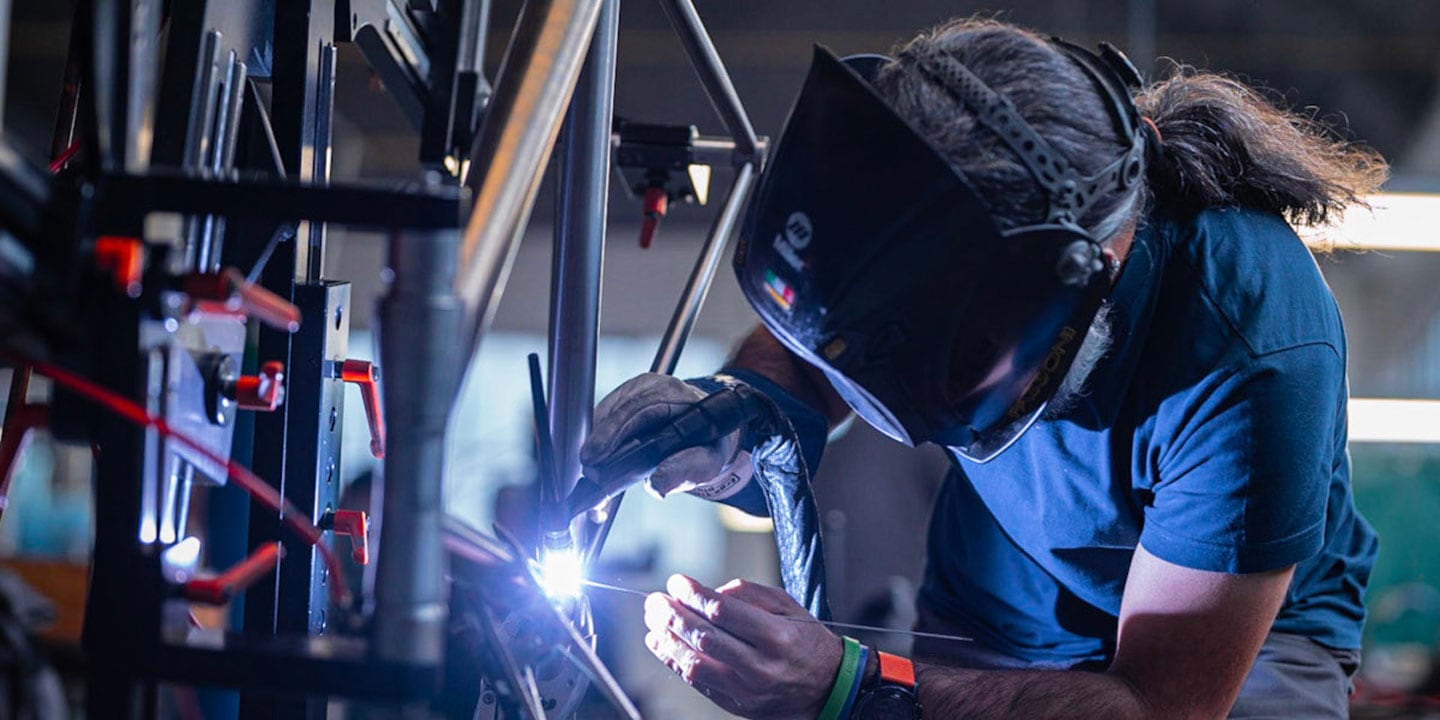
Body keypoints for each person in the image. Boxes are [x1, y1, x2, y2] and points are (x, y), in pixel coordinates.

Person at [580, 17, 1387, 719]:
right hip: (997, 607)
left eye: (962, 363)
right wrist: (742, 412)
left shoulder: (1252, 344)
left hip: (1233, 650)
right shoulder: (946, 225)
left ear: (1095, 266)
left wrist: (848, 687)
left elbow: (1160, 703)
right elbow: (835, 343)